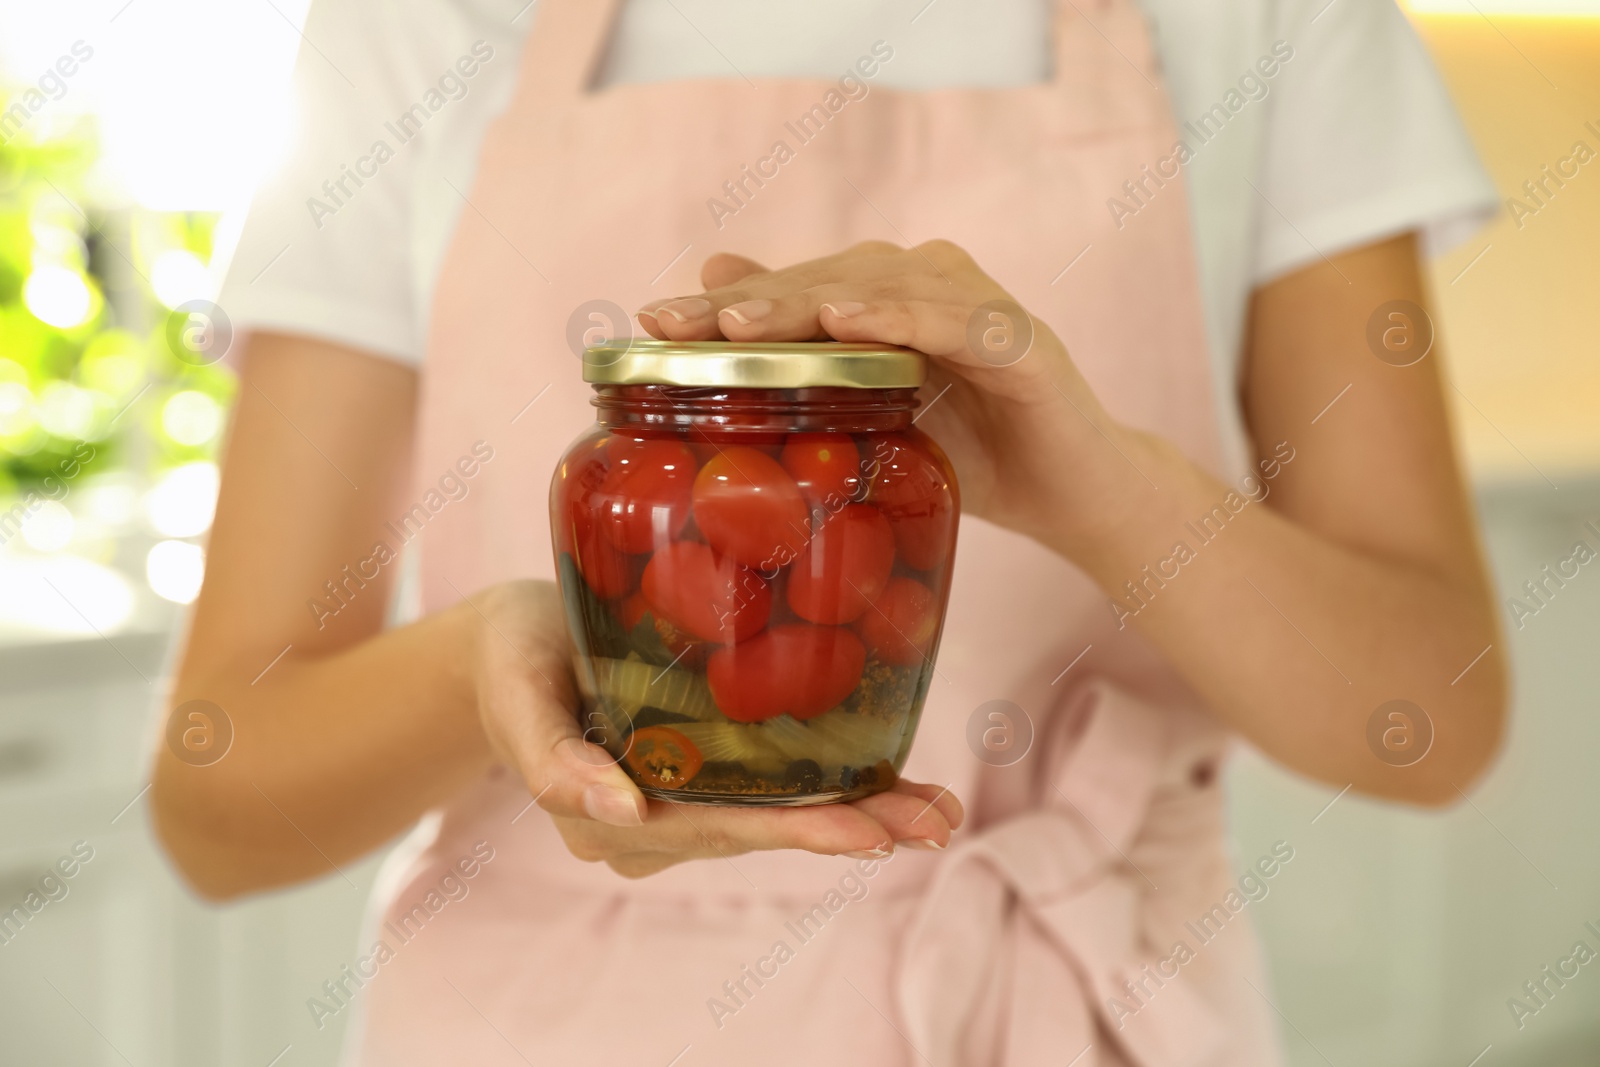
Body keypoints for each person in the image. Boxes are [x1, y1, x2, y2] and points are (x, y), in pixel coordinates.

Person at [152, 0, 1507, 1062]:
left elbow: (1430, 727)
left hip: (1082, 1007)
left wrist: (1104, 484)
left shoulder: (1278, 12)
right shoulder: (416, 20)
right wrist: (494, 659)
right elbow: (217, 803)